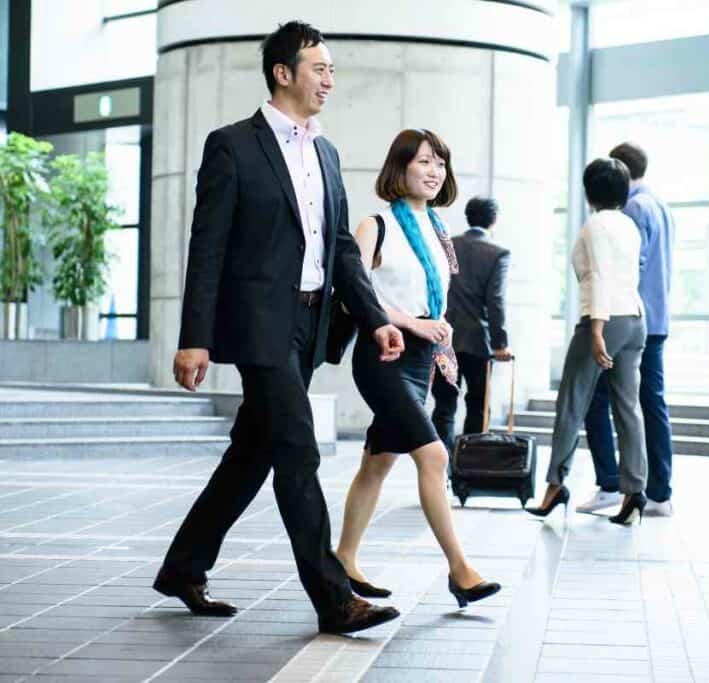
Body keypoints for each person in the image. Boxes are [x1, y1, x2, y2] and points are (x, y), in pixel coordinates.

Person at [153, 21, 404, 636]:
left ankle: (183, 567)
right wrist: (194, 336)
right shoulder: (233, 146)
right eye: (318, 68)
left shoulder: (326, 151)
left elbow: (341, 247)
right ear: (282, 73)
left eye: (332, 69)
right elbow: (206, 247)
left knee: (252, 452)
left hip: (310, 323)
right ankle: (333, 597)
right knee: (297, 447)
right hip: (260, 323)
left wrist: (373, 321)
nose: (329, 79)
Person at [335, 129, 501, 608]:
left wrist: (439, 330)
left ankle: (344, 556)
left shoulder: (438, 231)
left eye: (440, 164)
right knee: (433, 456)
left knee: (378, 461)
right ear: (400, 168)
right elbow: (355, 295)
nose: (433, 172)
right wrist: (414, 323)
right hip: (383, 356)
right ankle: (461, 570)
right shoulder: (375, 225)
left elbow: (435, 300)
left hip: (421, 356)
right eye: (424, 162)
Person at [526, 158, 648, 526]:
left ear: (588, 189)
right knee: (629, 408)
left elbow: (598, 277)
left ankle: (554, 486)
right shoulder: (628, 224)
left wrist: (595, 330)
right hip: (635, 319)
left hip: (604, 320)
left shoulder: (595, 225)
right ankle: (634, 493)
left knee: (571, 404)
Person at [578, 143, 676, 517]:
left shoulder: (632, 208)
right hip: (655, 317)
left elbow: (624, 265)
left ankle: (611, 482)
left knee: (598, 399)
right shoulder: (660, 205)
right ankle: (657, 491)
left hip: (628, 318)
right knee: (650, 403)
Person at [430, 196, 512, 453]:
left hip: (445, 338)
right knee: (478, 404)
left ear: (468, 216)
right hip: (478, 341)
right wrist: (500, 344)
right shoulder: (497, 253)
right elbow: (495, 300)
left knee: (444, 404)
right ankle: (469, 461)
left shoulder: (446, 246)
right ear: (494, 219)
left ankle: (441, 464)